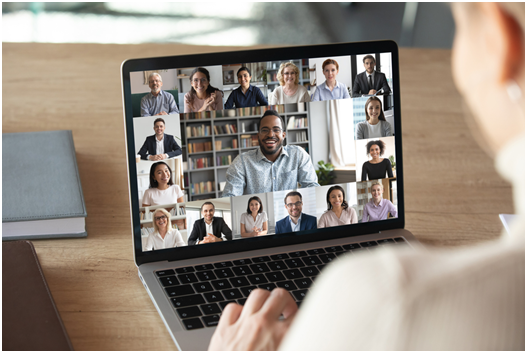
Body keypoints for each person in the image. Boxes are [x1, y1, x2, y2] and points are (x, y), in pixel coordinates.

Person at [208, 4, 525, 351]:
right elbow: (232, 201)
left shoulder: (385, 297)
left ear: (498, 40)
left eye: (461, 27)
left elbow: (312, 189)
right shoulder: (242, 162)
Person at [221, 110, 319, 197]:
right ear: (258, 136)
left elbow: (312, 187)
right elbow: (230, 195)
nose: (270, 135)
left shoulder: (298, 154)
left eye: (276, 130)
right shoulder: (242, 161)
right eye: (265, 130)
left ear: (283, 135)